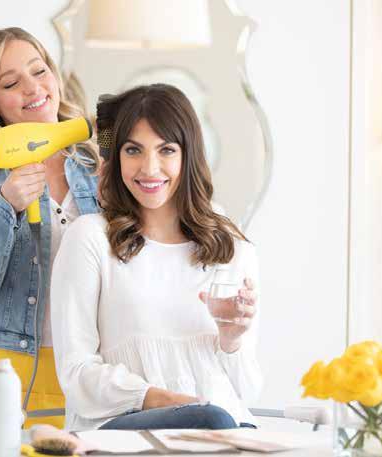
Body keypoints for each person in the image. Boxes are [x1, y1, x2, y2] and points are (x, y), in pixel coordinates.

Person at [51, 84, 262, 431]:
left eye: (166, 150)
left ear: (189, 156)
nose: (149, 168)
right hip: (125, 428)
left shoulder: (230, 245)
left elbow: (248, 391)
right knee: (211, 417)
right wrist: (160, 399)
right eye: (133, 150)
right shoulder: (90, 238)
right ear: (117, 157)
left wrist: (231, 340)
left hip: (221, 429)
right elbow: (77, 374)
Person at [0, 27, 101, 429]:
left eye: (39, 70)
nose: (33, 88)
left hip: (87, 373)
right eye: (11, 83)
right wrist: (5, 205)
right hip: (0, 374)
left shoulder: (98, 168)